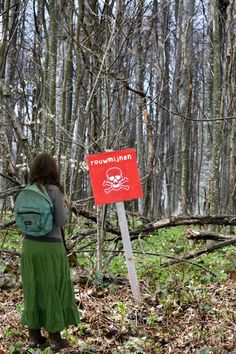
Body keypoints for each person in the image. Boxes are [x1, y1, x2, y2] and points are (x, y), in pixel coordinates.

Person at [20, 152, 80, 351]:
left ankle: (34, 337)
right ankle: (55, 338)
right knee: (53, 287)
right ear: (54, 169)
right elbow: (62, 222)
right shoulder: (54, 190)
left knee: (33, 287)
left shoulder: (28, 189)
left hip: (29, 247)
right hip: (51, 247)